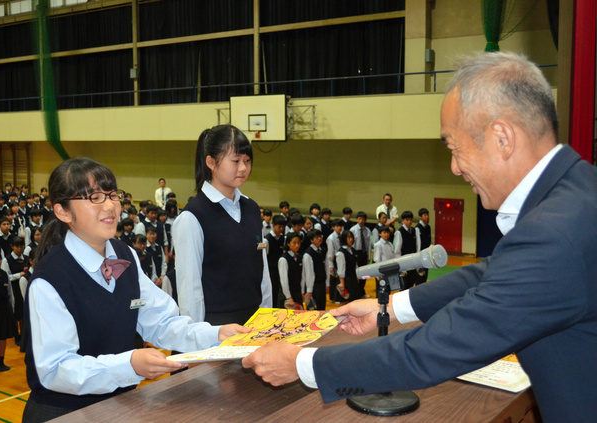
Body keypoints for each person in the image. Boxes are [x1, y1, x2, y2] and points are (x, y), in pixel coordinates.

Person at [242, 52, 597, 422]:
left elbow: (436, 349)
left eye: (454, 148)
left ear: (502, 138)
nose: (455, 167)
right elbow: (491, 273)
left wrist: (305, 364)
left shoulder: (555, 232)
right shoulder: (576, 196)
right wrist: (392, 309)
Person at [22, 157, 249, 420]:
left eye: (111, 194)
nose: (109, 206)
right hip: (65, 412)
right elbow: (55, 369)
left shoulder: (124, 255)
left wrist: (218, 334)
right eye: (94, 197)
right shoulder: (49, 279)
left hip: (120, 404)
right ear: (62, 212)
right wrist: (128, 365)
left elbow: (160, 323)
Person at [172, 125, 272, 325]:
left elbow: (263, 272)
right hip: (215, 328)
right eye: (235, 161)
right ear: (211, 162)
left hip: (253, 323)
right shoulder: (192, 217)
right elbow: (190, 290)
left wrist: (266, 319)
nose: (243, 168)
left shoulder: (252, 209)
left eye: (247, 160)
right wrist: (197, 338)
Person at [393, 210, 421, 290]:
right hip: (404, 262)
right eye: (407, 220)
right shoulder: (399, 232)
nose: (409, 222)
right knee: (404, 285)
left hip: (413, 261)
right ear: (403, 220)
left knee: (411, 282)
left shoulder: (415, 230)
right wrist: (400, 266)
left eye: (411, 220)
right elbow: (397, 250)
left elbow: (417, 246)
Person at [302, 229, 328, 310]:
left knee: (322, 307)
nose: (320, 238)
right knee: (313, 310)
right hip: (314, 286)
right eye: (317, 237)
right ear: (311, 240)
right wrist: (309, 290)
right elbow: (309, 274)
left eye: (320, 236)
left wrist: (327, 284)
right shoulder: (308, 254)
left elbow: (326, 267)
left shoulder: (323, 250)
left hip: (322, 283)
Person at [278, 232, 303, 309]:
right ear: (288, 243)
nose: (297, 245)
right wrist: (288, 297)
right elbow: (284, 280)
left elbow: (302, 277)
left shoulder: (300, 257)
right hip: (286, 295)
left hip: (297, 293)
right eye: (294, 243)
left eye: (298, 243)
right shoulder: (283, 259)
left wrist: (302, 292)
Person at [416, 208, 432, 284]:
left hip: (427, 255)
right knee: (419, 277)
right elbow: (418, 244)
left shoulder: (428, 227)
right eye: (425, 215)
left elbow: (429, 241)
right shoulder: (417, 228)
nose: (427, 217)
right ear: (420, 217)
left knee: (425, 276)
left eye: (427, 215)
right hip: (421, 256)